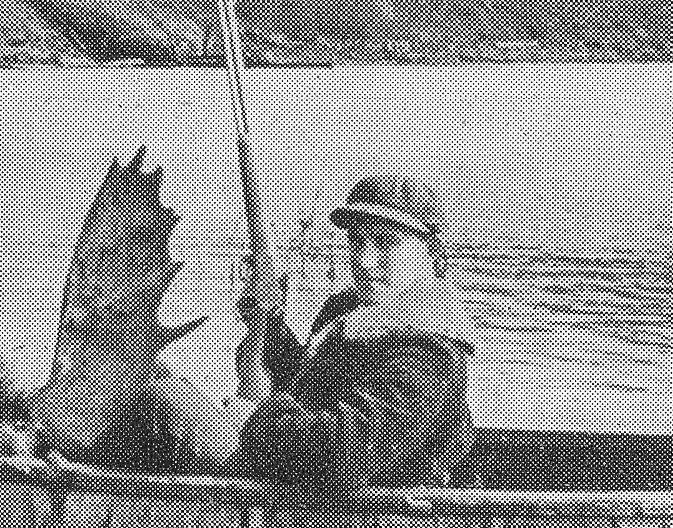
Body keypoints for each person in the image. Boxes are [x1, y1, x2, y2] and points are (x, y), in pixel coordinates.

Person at [146, 174, 475, 494]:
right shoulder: (346, 309)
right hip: (318, 501)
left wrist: (240, 427)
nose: (364, 261)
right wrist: (270, 320)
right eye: (356, 241)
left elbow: (353, 447)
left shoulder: (433, 339)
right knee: (159, 391)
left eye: (386, 243)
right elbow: (305, 387)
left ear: (431, 255)